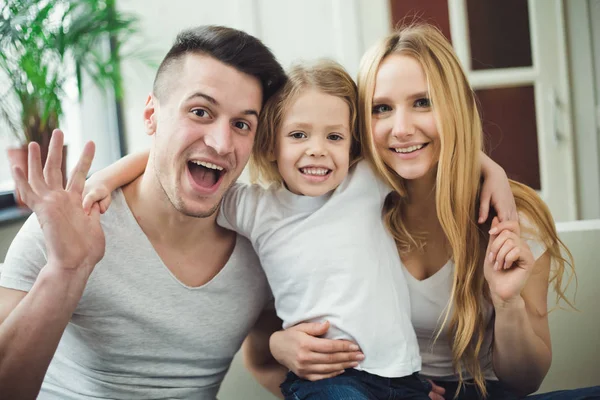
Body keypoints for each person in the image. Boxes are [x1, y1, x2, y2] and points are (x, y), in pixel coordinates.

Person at [83, 58, 516, 399]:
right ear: (269, 144)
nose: (317, 151)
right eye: (299, 136)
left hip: (403, 375)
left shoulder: (363, 184)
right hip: (329, 380)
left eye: (334, 137)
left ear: (353, 145)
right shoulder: (253, 207)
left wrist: (490, 169)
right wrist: (105, 179)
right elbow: (168, 161)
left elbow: (420, 149)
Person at [269, 24, 600, 400]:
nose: (402, 128)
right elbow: (273, 340)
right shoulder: (342, 207)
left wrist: (507, 305)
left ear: (453, 108)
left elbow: (526, 382)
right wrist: (279, 344)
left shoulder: (511, 215)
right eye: (382, 109)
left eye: (423, 102)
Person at [0, 25, 288, 399]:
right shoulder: (67, 225)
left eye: (241, 124)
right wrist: (65, 271)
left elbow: (266, 363)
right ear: (152, 115)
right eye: (200, 112)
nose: (221, 143)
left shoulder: (262, 239)